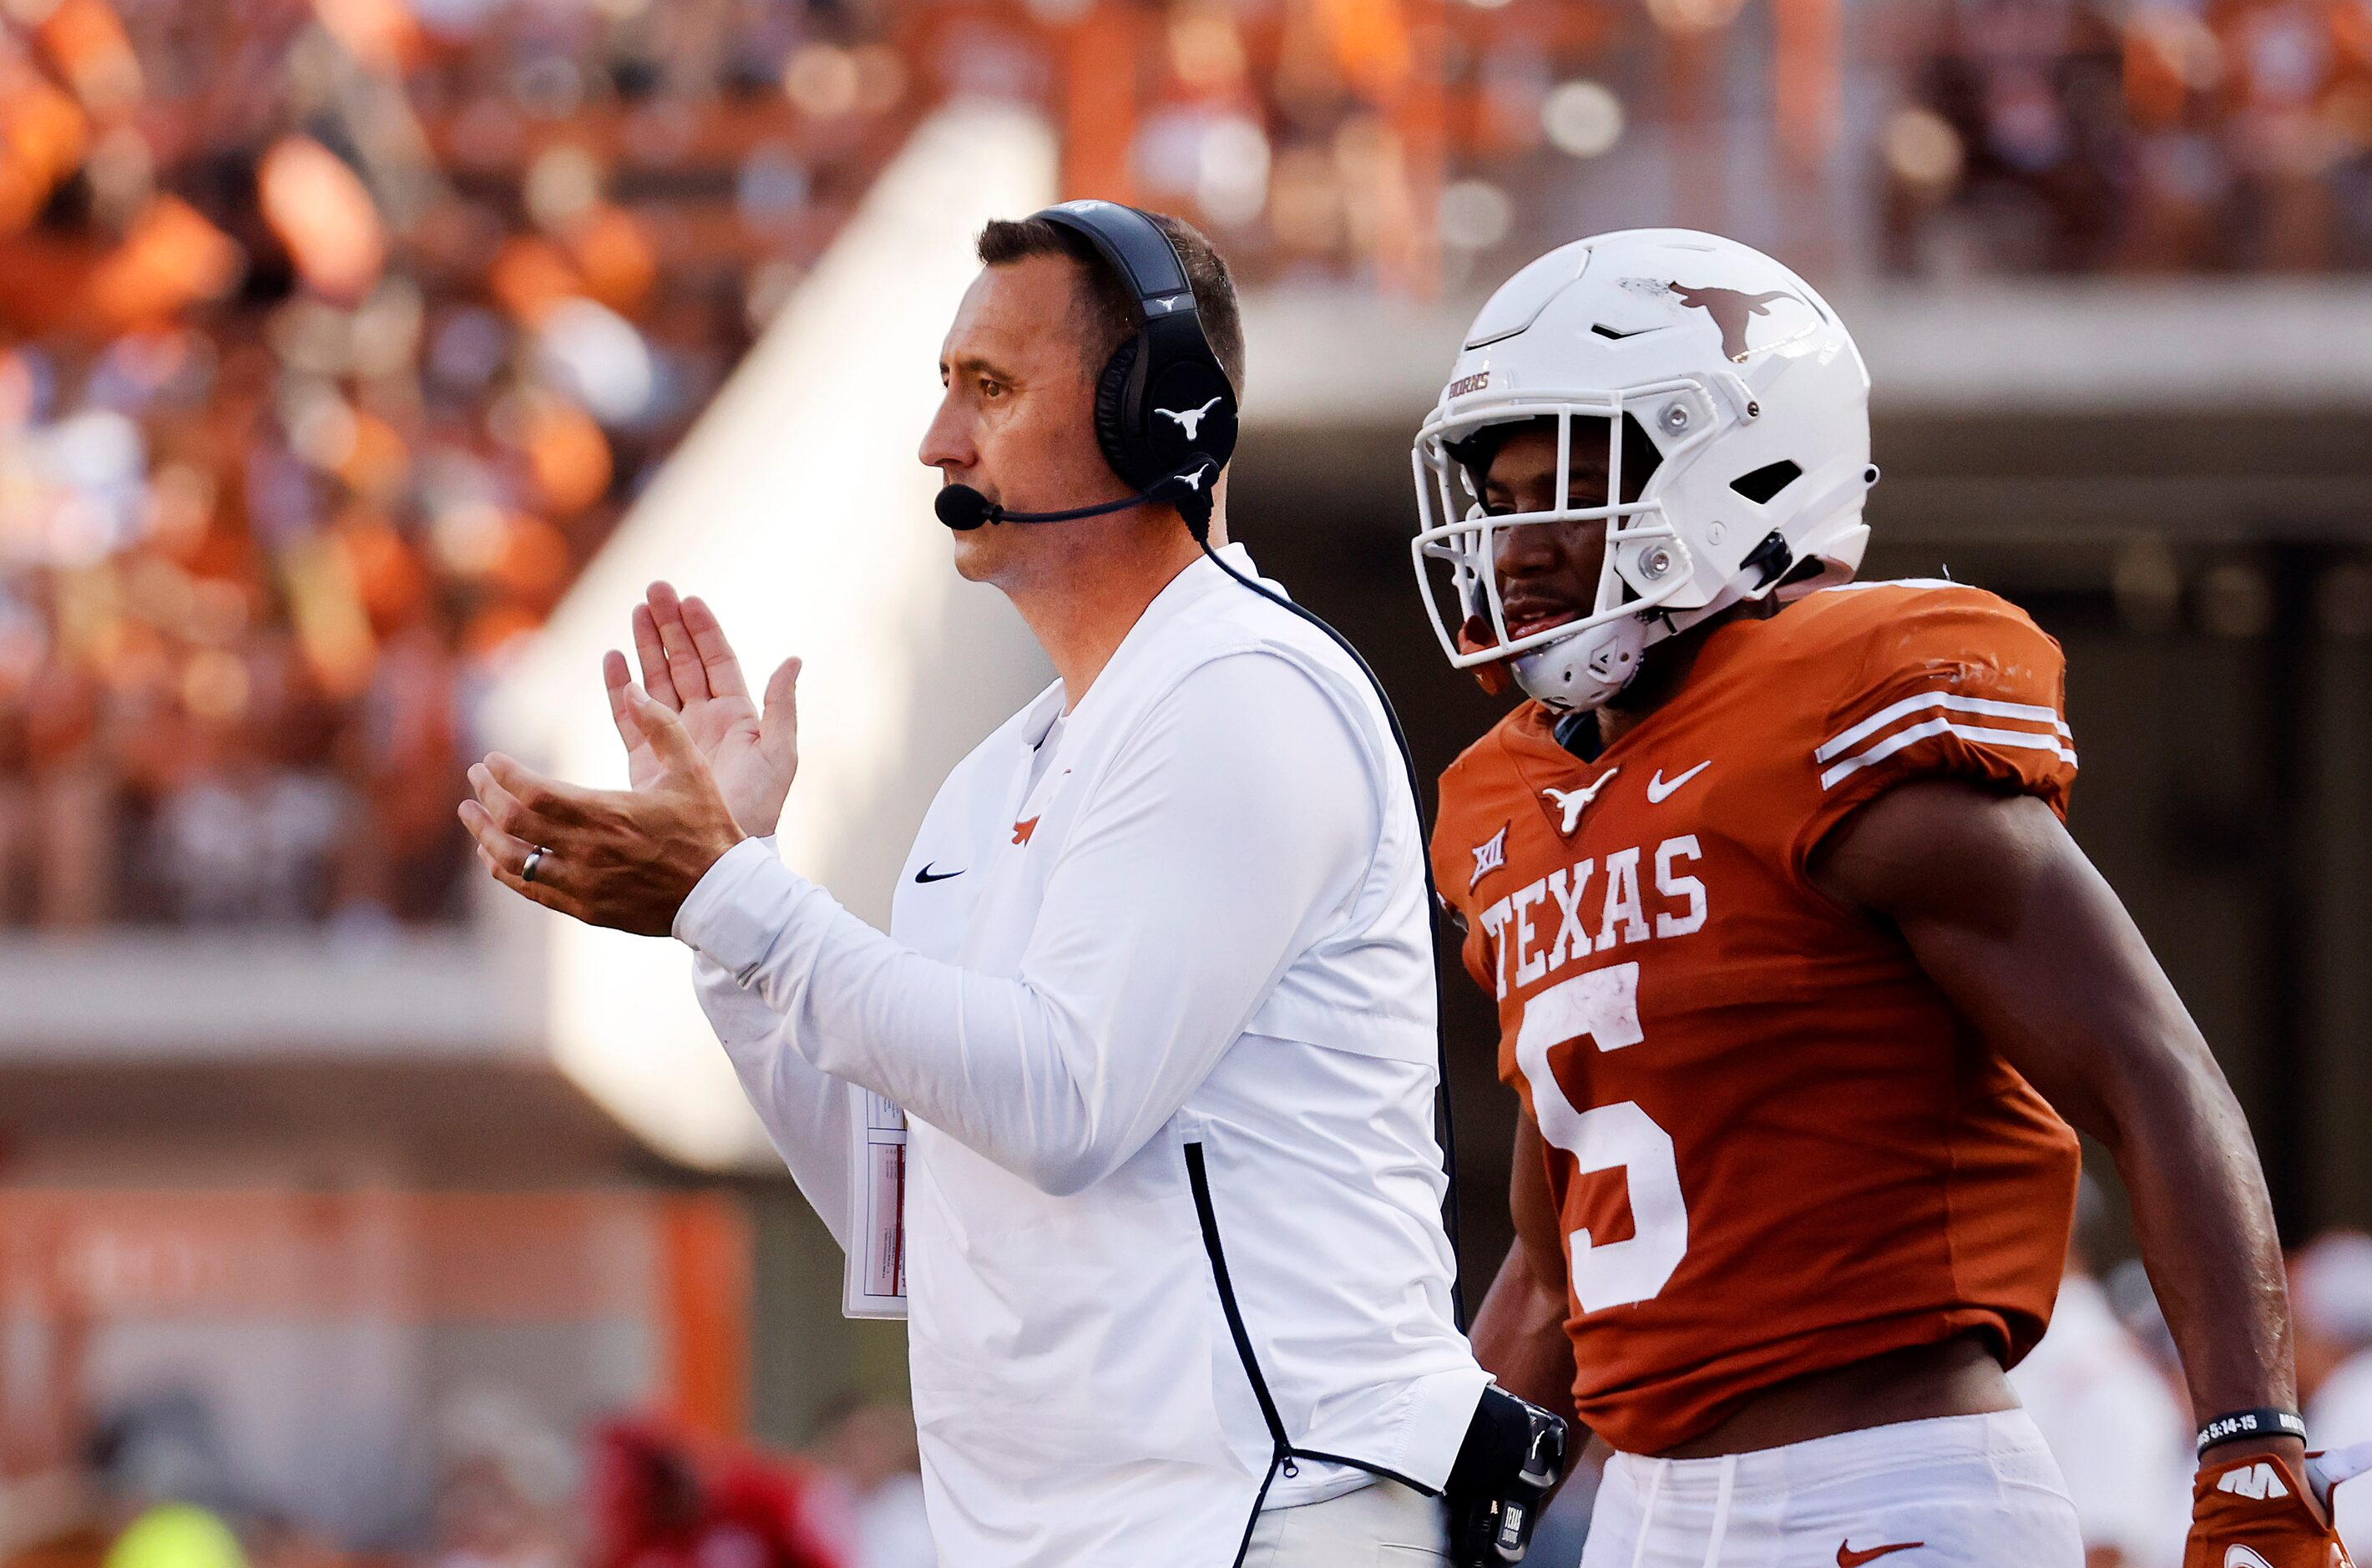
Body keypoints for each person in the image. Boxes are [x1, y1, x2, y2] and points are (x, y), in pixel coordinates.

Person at [458, 202, 1493, 1565]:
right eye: (946, 388)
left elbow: (1064, 1098)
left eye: (989, 388)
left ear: (1157, 413)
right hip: (1071, 1528)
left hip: (1267, 1510)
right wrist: (728, 916)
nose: (939, 442)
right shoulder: (992, 776)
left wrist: (734, 899)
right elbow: (907, 1211)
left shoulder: (1244, 689)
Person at [1414, 228, 2354, 1565]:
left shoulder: (1837, 705)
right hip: (1643, 1512)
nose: (1512, 541)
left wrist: (2247, 1441)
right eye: (1497, 493)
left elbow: (2149, 1073)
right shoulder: (1506, 804)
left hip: (1887, 1489)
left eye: (1564, 481)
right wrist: (1433, 1512)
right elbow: (1563, 1257)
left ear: (1740, 460)